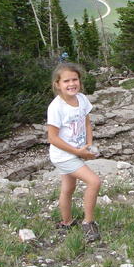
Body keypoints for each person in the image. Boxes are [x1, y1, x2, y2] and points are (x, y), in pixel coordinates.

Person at [47, 62, 101, 242]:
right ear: (58, 84)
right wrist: (78, 152)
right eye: (66, 81)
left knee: (68, 188)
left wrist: (89, 145)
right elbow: (52, 138)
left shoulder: (82, 99)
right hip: (64, 155)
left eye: (75, 79)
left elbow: (86, 123)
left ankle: (67, 222)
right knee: (94, 182)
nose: (71, 84)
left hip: (77, 151)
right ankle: (88, 222)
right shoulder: (56, 107)